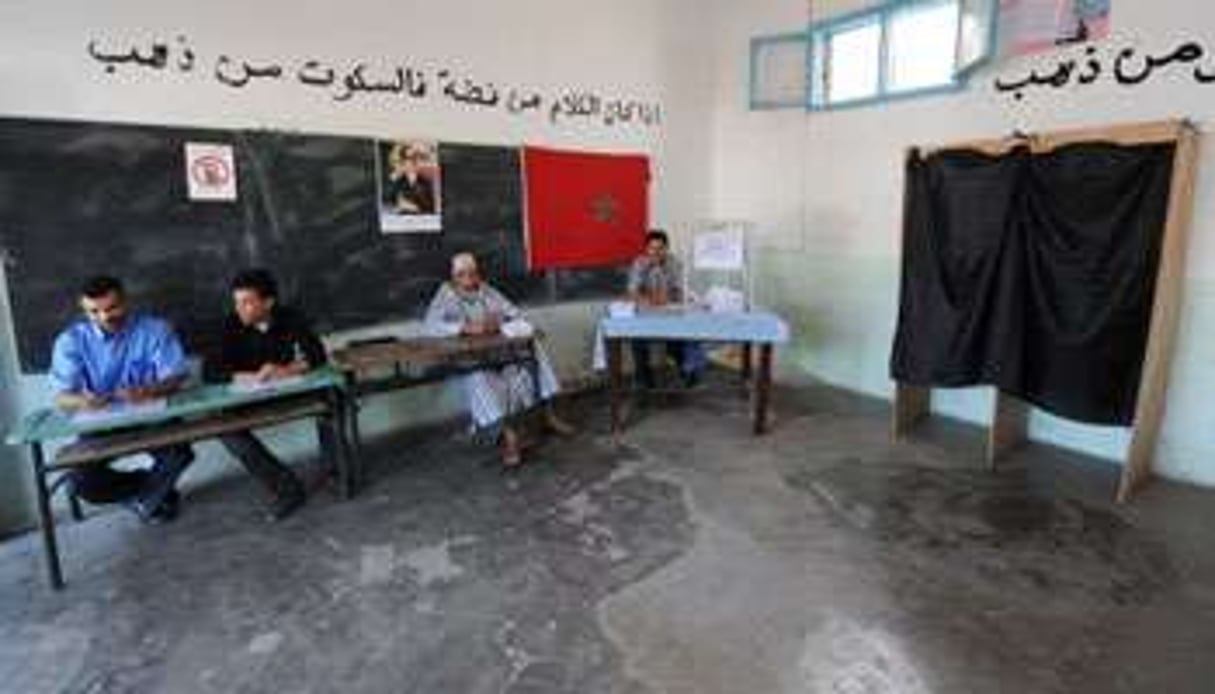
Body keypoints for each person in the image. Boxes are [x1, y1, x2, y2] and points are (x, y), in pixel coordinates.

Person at [50, 276, 194, 523]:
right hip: (101, 421)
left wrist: (150, 389)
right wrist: (83, 401)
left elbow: (177, 376)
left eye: (112, 308)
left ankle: (150, 498)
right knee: (84, 482)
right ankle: (155, 493)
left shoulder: (155, 329)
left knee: (178, 453)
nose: (105, 317)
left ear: (125, 302)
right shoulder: (70, 341)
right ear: (84, 309)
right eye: (94, 311)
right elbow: (62, 397)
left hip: (152, 414)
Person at [424, 253, 573, 466]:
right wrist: (463, 327)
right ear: (454, 277)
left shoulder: (487, 291)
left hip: (500, 353)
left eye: (472, 273)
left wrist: (500, 320)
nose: (469, 278)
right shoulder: (446, 294)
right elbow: (430, 326)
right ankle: (508, 436)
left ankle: (547, 415)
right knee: (477, 378)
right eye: (462, 274)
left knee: (533, 352)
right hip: (473, 359)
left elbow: (514, 312)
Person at [216, 269, 324, 520]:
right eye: (237, 302)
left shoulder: (291, 317)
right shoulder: (231, 324)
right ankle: (286, 488)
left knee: (332, 401)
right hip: (251, 397)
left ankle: (337, 469)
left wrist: (285, 370)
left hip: (290, 392)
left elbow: (316, 356)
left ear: (268, 302)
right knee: (226, 429)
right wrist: (249, 376)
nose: (240, 308)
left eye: (247, 302)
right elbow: (213, 370)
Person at [626, 229, 706, 388]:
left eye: (660, 248)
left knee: (678, 339)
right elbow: (632, 291)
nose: (656, 252)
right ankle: (644, 379)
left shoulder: (674, 263)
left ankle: (688, 371)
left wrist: (689, 298)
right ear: (646, 249)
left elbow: (682, 288)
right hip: (647, 313)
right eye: (652, 248)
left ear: (666, 248)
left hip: (670, 312)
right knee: (637, 339)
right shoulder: (639, 263)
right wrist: (648, 298)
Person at [383, 142, 437, 215]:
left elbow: (432, 208)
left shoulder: (426, 182)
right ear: (403, 161)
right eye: (409, 158)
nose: (414, 161)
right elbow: (386, 201)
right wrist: (393, 179)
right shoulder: (397, 180)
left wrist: (415, 208)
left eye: (416, 157)